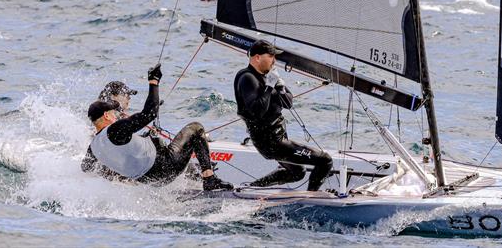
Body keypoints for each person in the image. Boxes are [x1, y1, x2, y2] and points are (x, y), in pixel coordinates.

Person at [82, 64, 232, 191]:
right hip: (162, 167)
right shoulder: (114, 130)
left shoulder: (94, 146)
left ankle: (199, 174)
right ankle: (209, 180)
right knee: (196, 128)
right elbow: (149, 114)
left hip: (147, 180)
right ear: (107, 115)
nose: (120, 111)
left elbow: (86, 167)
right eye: (114, 111)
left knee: (167, 150)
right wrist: (154, 82)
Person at [234, 40, 333, 191]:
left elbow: (288, 103)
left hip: (278, 140)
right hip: (271, 143)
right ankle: (311, 198)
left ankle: (252, 187)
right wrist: (269, 86)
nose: (274, 61)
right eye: (271, 56)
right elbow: (257, 110)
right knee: (325, 161)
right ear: (257, 58)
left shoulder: (268, 76)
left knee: (298, 172)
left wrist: (279, 84)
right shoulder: (247, 78)